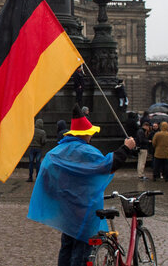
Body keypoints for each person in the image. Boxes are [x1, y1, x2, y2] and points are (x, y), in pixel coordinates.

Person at [27, 106, 136, 266]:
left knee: (66, 247)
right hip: (84, 212)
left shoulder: (58, 151)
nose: (91, 136)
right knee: (81, 251)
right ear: (85, 134)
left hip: (66, 211)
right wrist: (126, 148)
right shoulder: (86, 152)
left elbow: (46, 174)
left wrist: (57, 197)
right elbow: (108, 164)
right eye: (90, 133)